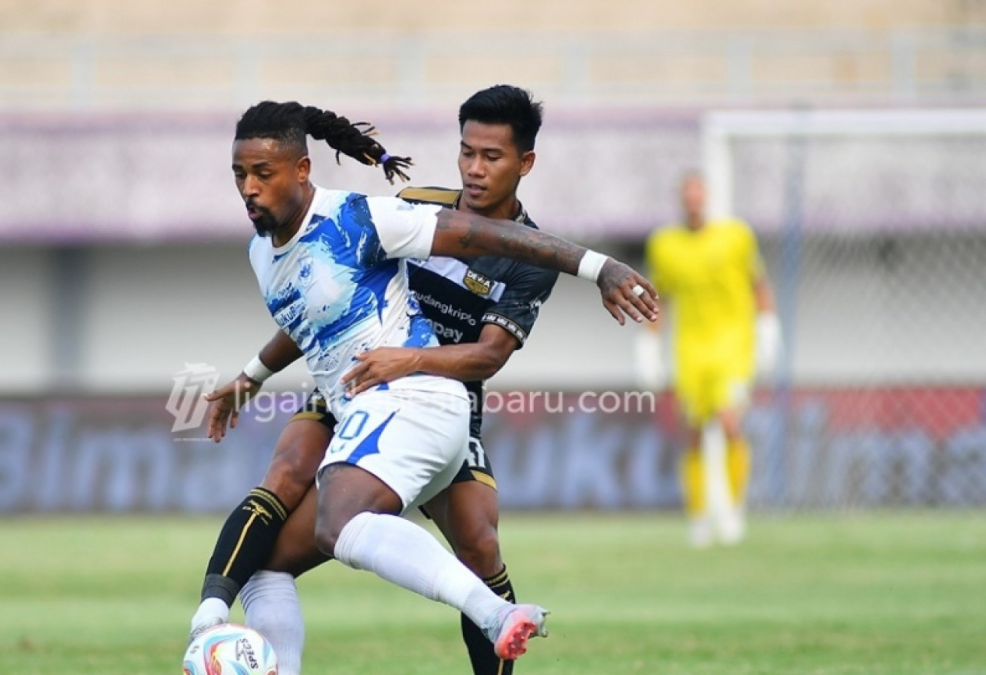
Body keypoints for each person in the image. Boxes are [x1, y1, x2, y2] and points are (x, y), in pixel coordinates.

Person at [193, 99, 658, 669]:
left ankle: (495, 630)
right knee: (285, 493)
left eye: (492, 156)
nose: (474, 169)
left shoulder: (526, 255)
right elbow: (323, 306)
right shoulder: (413, 209)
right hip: (356, 380)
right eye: (467, 152)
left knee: (479, 544)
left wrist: (408, 361)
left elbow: (487, 356)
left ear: (524, 163)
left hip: (429, 389)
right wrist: (251, 376)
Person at [635, 171, 780, 548]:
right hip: (690, 350)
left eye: (700, 195)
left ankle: (732, 511)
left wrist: (767, 329)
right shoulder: (665, 244)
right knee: (695, 434)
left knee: (731, 422)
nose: (694, 202)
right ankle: (699, 517)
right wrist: (649, 347)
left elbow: (758, 284)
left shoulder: (736, 236)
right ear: (682, 200)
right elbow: (660, 298)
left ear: (709, 198)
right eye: (688, 196)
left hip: (733, 345)